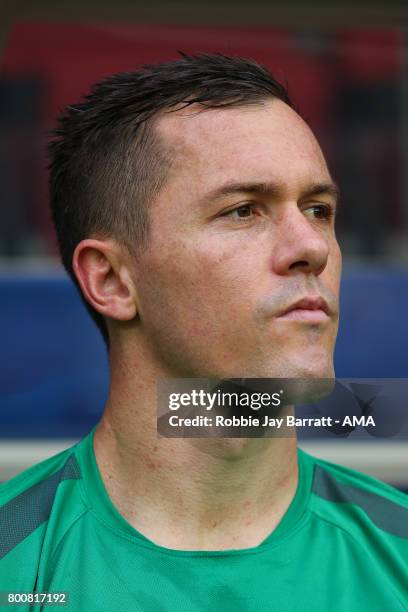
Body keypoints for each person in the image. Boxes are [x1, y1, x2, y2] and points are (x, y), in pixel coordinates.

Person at [0, 54, 407, 611]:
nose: (311, 248)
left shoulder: (396, 556)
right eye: (243, 211)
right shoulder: (14, 565)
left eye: (317, 209)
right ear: (113, 279)